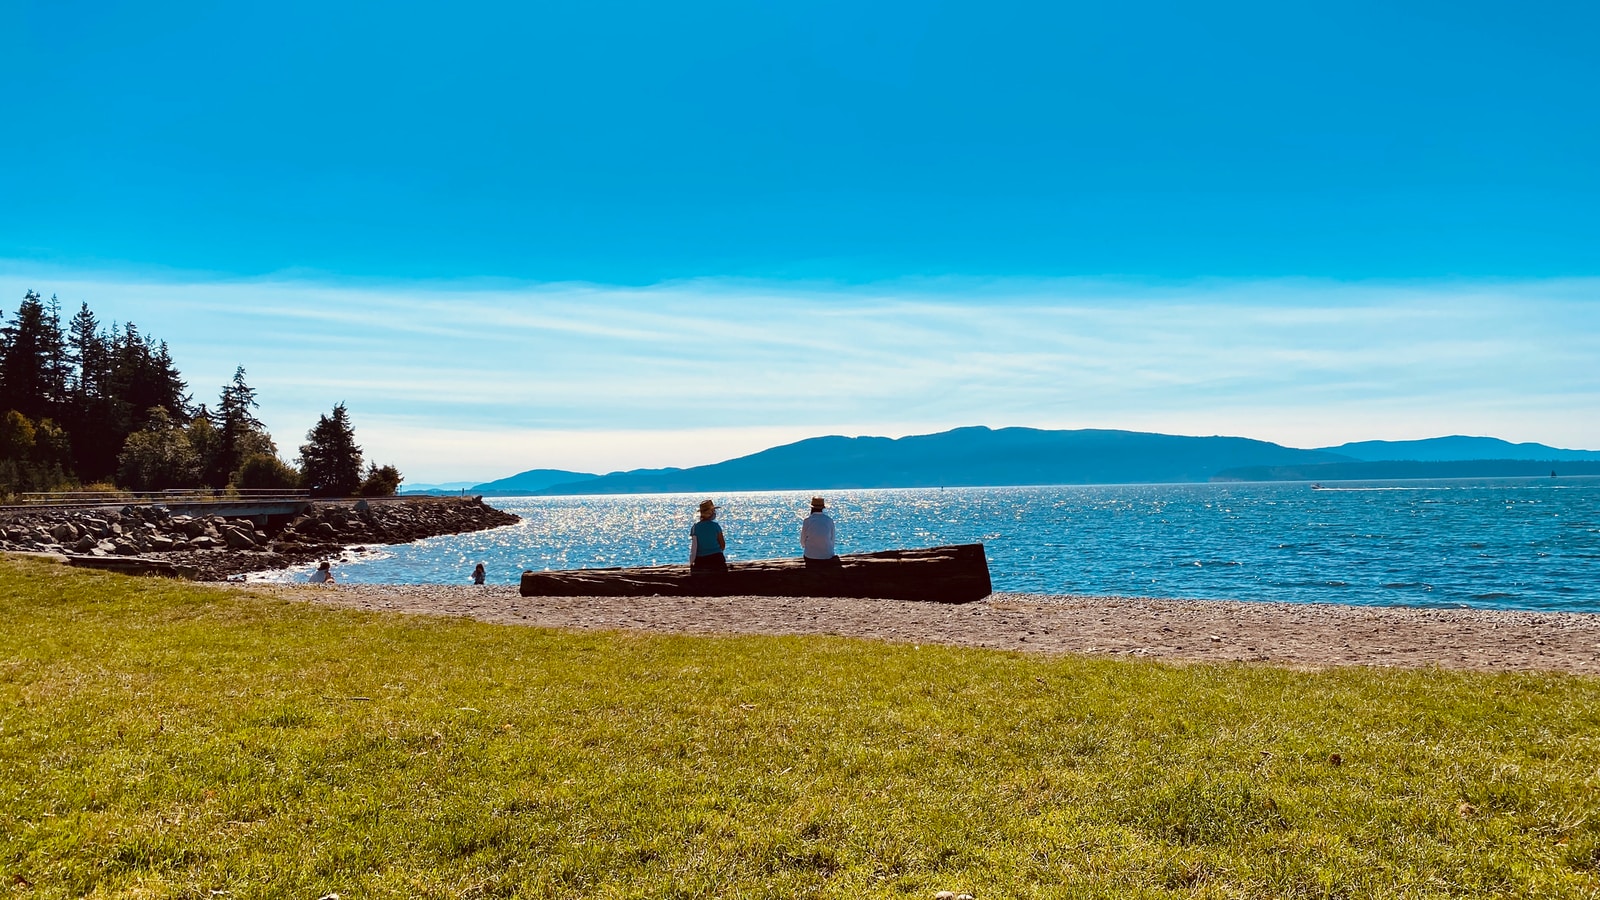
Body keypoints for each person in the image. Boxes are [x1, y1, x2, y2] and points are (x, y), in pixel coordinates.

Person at [800, 496, 841, 568]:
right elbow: (832, 540)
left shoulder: (807, 521)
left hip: (810, 556)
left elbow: (802, 541)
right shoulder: (829, 520)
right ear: (822, 508)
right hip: (827, 556)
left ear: (812, 508)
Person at [689, 499, 727, 573]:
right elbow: (722, 545)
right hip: (717, 559)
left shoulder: (695, 528)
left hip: (701, 561)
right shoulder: (716, 526)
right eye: (713, 511)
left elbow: (694, 548)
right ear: (711, 513)